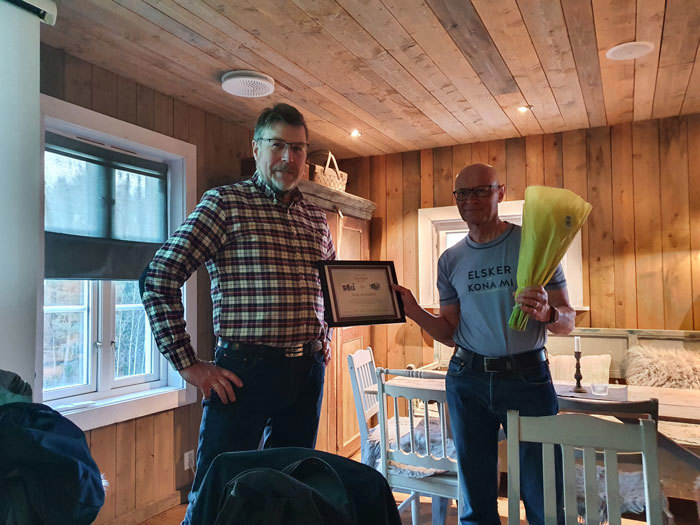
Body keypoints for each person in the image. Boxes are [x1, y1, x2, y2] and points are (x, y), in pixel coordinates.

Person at [141, 103, 335, 516]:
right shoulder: (224, 204)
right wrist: (188, 364)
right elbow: (158, 278)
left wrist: (325, 339)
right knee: (219, 490)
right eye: (277, 145)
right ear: (256, 148)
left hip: (306, 373)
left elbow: (329, 289)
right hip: (242, 374)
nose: (288, 157)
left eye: (298, 148)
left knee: (293, 488)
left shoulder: (316, 220)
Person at [393, 163, 575, 525]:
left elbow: (567, 321)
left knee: (543, 493)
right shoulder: (450, 260)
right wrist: (413, 310)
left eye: (481, 190)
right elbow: (449, 332)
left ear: (500, 192)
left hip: (528, 379)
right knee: (475, 498)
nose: (470, 200)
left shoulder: (535, 244)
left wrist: (548, 314)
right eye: (462, 193)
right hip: (468, 378)